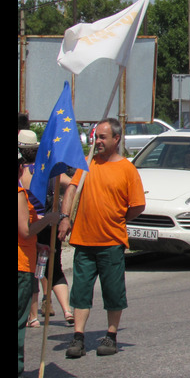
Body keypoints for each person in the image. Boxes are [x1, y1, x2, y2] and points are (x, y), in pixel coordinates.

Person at [57, 118, 146, 358]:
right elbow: (72, 189)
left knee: (113, 292)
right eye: (96, 137)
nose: (97, 142)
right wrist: (65, 217)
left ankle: (111, 335)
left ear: (116, 139)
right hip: (84, 241)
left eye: (102, 137)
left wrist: (119, 218)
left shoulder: (127, 169)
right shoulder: (86, 164)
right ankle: (78, 337)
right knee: (81, 292)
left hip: (112, 242)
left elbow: (137, 205)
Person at [18, 130, 75, 328]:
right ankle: (67, 309)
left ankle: (33, 315)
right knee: (54, 267)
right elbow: (73, 185)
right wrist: (62, 212)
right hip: (52, 223)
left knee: (35, 270)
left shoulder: (23, 173)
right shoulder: (52, 169)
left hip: (35, 225)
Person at [18, 150, 61, 378]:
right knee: (18, 321)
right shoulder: (18, 195)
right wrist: (48, 219)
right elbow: (24, 231)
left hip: (26, 256)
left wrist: (39, 244)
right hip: (20, 266)